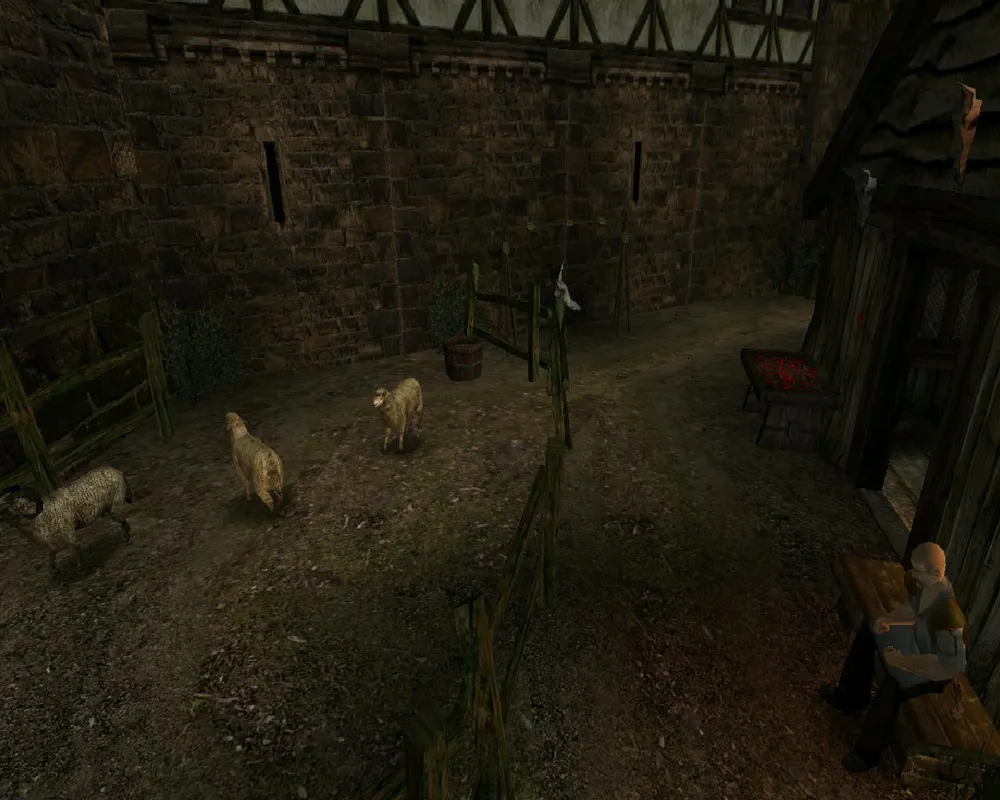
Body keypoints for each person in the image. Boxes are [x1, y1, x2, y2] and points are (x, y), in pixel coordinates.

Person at [820, 542, 967, 773]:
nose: (913, 574)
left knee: (894, 682)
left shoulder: (948, 616)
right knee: (870, 630)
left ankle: (867, 753)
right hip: (918, 649)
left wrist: (903, 661)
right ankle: (850, 697)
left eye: (918, 570)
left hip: (935, 671)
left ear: (935, 572)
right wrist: (888, 620)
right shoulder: (930, 588)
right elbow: (912, 610)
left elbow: (948, 665)